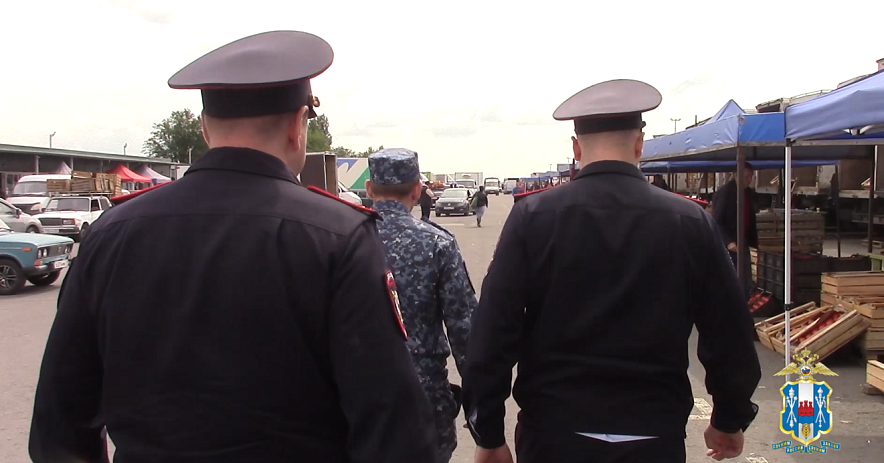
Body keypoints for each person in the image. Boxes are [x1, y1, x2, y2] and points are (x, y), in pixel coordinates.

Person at [29, 31, 437, 463]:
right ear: (298, 126)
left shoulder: (111, 233)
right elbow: (391, 425)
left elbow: (59, 427)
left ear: (205, 128)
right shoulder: (340, 235)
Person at [463, 79, 761, 463]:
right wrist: (729, 419)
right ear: (639, 144)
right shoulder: (689, 221)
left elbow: (493, 330)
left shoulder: (533, 218)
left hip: (554, 432)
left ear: (576, 149)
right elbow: (728, 330)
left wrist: (487, 431)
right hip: (653, 433)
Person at [365, 148, 478, 463]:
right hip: (423, 397)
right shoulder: (437, 243)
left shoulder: (340, 238)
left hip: (357, 398)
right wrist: (482, 412)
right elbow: (465, 330)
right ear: (417, 190)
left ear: (369, 189)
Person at [711, 163, 758, 298]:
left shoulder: (748, 193)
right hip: (730, 245)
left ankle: (742, 304)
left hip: (743, 242)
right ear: (736, 175)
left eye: (751, 177)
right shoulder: (725, 193)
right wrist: (728, 242)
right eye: (746, 176)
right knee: (733, 281)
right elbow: (716, 221)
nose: (749, 180)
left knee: (745, 282)